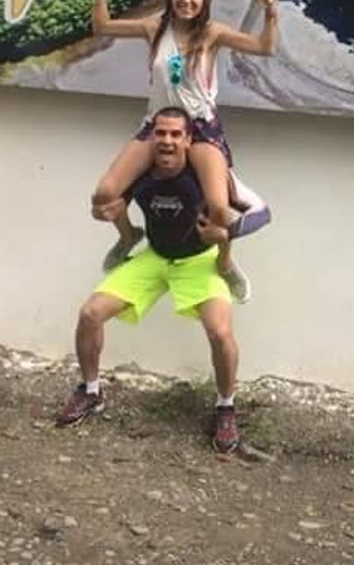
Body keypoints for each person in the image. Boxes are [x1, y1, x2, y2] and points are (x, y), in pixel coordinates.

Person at [56, 108, 268, 451]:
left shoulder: (206, 176)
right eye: (161, 134)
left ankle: (226, 406)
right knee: (90, 314)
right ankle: (90, 391)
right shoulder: (142, 175)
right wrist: (105, 213)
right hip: (154, 257)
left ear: (187, 140)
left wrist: (226, 239)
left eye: (174, 135)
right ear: (152, 137)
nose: (167, 141)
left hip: (199, 261)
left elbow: (254, 215)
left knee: (221, 331)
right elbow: (108, 202)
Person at [90, 0, 277, 300]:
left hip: (200, 128)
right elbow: (102, 27)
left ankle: (226, 263)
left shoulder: (212, 33)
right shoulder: (153, 28)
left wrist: (269, 10)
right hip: (159, 124)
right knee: (105, 193)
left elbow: (264, 47)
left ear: (204, 0)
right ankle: (128, 237)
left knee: (219, 210)